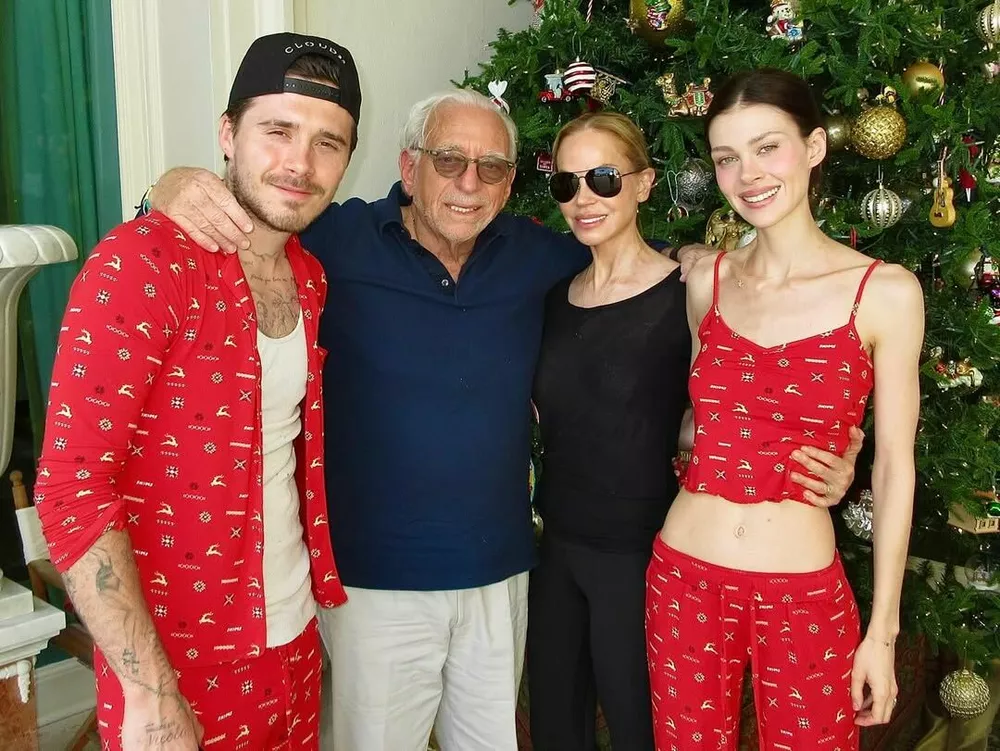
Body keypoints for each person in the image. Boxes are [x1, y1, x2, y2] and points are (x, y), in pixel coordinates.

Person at [146, 89, 858, 751]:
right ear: (408, 167)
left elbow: (658, 307)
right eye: (448, 160)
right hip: (374, 581)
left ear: (511, 183)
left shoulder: (540, 259)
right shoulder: (336, 238)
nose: (469, 183)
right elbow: (251, 216)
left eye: (492, 167)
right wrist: (168, 187)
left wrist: (818, 447)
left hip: (505, 573)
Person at [34, 32, 361, 750]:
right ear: (227, 134)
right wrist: (149, 691)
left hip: (294, 638)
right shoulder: (141, 263)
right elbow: (71, 488)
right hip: (175, 660)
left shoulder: (311, 277)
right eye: (278, 131)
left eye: (328, 143)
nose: (300, 163)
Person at [528, 112, 863, 751]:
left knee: (642, 732)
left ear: (644, 183)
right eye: (566, 184)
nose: (584, 198)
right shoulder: (552, 299)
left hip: (643, 553)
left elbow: (739, 409)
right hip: (556, 552)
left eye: (603, 178)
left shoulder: (690, 291)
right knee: (556, 731)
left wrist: (829, 456)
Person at [646, 68, 922, 751]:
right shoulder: (708, 281)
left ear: (815, 146)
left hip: (802, 592)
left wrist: (882, 633)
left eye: (767, 147)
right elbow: (702, 425)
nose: (748, 175)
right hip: (684, 578)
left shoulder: (884, 292)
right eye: (727, 157)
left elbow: (895, 467)